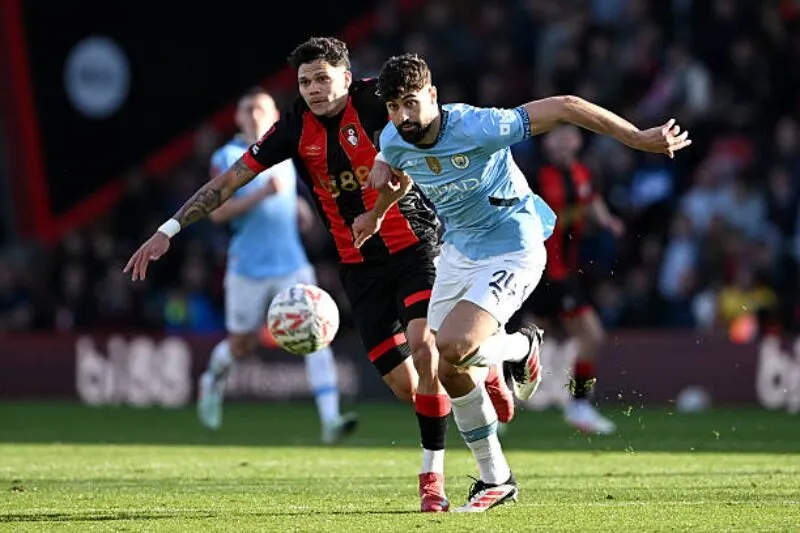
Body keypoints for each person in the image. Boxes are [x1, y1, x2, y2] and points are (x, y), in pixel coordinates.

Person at [123, 37, 514, 513]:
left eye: (322, 78)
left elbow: (427, 127)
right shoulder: (291, 129)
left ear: (346, 78)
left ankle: (431, 477)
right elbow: (229, 182)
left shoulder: (377, 102)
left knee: (424, 347)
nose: (313, 88)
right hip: (358, 269)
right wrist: (169, 228)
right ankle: (483, 363)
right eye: (305, 81)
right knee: (407, 388)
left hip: (416, 248)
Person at [353, 53, 691, 512]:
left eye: (411, 103)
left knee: (453, 346)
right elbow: (402, 174)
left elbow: (567, 105)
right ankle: (497, 479)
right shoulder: (394, 138)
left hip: (514, 243)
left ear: (432, 95)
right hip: (458, 251)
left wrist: (635, 137)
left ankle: (520, 349)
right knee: (446, 366)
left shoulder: (478, 126)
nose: (403, 116)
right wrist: (376, 214)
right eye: (393, 107)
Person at [195, 86, 358, 444]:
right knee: (242, 346)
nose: (254, 113)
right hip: (247, 266)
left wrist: (299, 206)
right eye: (248, 108)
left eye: (261, 108)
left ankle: (331, 419)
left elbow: (293, 193)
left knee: (319, 333)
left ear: (272, 115)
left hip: (291, 263)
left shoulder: (283, 153)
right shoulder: (228, 156)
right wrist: (259, 196)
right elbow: (218, 213)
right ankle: (212, 380)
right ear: (237, 118)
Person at [516, 123, 623, 435]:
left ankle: (579, 403)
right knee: (529, 339)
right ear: (547, 142)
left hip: (566, 274)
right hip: (538, 269)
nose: (564, 142)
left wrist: (607, 221)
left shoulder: (581, 173)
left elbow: (592, 201)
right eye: (557, 136)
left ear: (577, 141)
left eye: (569, 136)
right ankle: (498, 398)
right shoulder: (535, 174)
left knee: (589, 335)